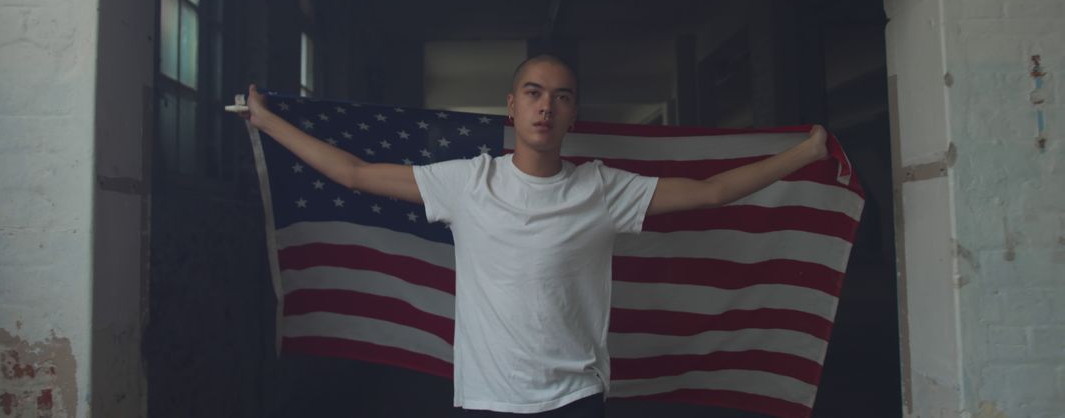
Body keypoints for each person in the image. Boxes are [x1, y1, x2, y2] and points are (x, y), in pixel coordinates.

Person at [240, 54, 828, 417]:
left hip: (573, 400)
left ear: (573, 115)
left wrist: (805, 151)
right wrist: (267, 122)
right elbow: (355, 174)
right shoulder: (468, 182)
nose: (546, 106)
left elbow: (712, 191)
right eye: (534, 93)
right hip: (489, 400)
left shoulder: (601, 189)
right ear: (512, 108)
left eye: (561, 97)